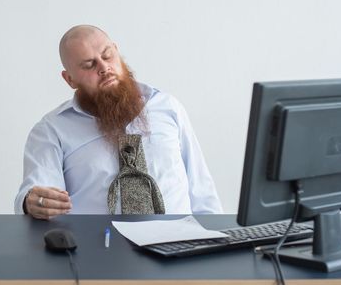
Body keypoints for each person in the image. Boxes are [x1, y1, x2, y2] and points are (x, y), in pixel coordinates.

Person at [14, 25, 222, 219]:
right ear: (70, 79)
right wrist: (31, 202)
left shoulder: (168, 107)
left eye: (107, 55)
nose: (104, 68)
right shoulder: (51, 130)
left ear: (117, 51)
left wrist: (216, 243)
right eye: (89, 65)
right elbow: (38, 194)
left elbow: (201, 189)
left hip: (180, 248)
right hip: (97, 253)